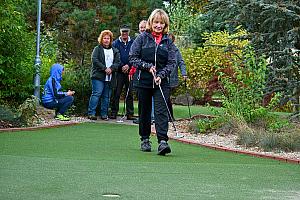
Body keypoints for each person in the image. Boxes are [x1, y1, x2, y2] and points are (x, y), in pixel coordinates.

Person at [129, 9, 176, 155]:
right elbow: (133, 57)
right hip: (143, 81)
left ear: (165, 24)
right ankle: (145, 139)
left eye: (162, 23)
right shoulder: (142, 38)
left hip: (161, 82)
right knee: (144, 111)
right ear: (151, 22)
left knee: (161, 111)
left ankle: (163, 141)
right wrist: (147, 66)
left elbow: (171, 62)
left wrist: (161, 75)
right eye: (156, 22)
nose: (158, 25)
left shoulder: (168, 41)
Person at [87, 30, 121, 120]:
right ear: (101, 39)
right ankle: (91, 113)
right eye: (104, 38)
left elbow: (117, 62)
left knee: (106, 96)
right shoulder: (97, 49)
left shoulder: (115, 50)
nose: (106, 40)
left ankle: (104, 114)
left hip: (110, 77)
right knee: (97, 94)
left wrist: (111, 69)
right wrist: (104, 68)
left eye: (108, 38)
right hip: (98, 76)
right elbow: (95, 60)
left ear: (111, 40)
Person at [110, 24, 136, 120]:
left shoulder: (133, 42)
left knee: (129, 93)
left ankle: (130, 113)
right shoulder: (115, 43)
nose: (124, 33)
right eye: (123, 32)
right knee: (117, 92)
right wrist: (122, 66)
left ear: (129, 32)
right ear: (120, 32)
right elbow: (115, 56)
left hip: (130, 71)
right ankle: (114, 112)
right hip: (119, 71)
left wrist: (128, 65)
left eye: (126, 31)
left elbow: (134, 55)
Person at [167, 33, 188, 121]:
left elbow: (181, 62)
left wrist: (184, 73)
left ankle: (170, 117)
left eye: (171, 40)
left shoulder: (176, 51)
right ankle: (168, 117)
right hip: (161, 77)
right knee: (164, 97)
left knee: (166, 97)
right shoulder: (160, 48)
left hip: (171, 78)